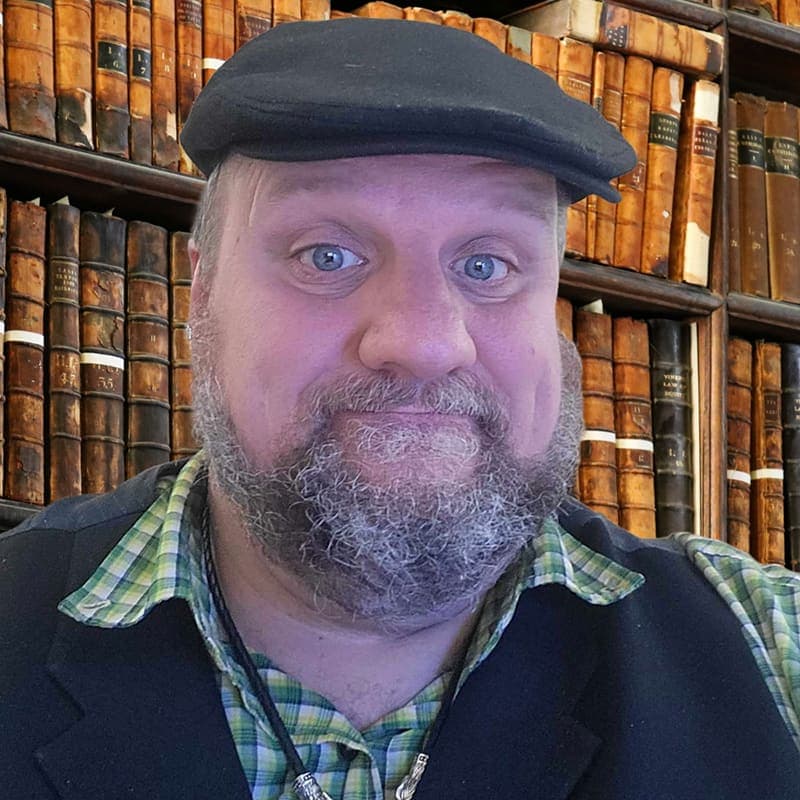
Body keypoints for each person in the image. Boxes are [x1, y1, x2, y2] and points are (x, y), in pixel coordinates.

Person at [1, 17, 799, 800]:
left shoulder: (768, 643)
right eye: (328, 256)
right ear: (202, 295)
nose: (425, 342)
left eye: (487, 263)